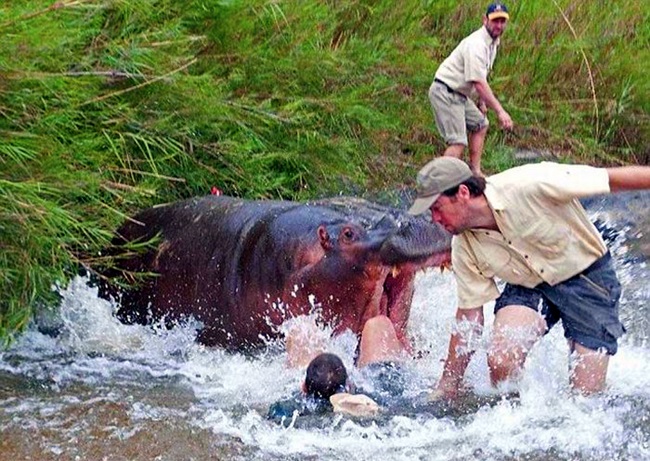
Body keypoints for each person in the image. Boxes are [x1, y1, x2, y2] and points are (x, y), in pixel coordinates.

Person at [407, 156, 650, 399]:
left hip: (589, 281)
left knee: (586, 399)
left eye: (437, 208)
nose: (435, 220)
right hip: (529, 286)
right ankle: (515, 416)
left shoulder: (529, 184)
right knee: (502, 359)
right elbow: (469, 316)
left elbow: (610, 179)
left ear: (462, 193)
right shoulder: (463, 246)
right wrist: (448, 384)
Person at [267, 315, 410, 422]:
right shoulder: (378, 395)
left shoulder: (286, 408)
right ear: (349, 384)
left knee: (301, 328)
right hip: (369, 401)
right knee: (378, 324)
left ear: (303, 387)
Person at [428, 2, 514, 175]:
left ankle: (474, 172)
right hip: (446, 91)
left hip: (459, 94)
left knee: (480, 124)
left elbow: (482, 75)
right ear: (485, 20)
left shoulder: (493, 43)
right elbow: (478, 82)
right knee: (458, 142)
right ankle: (438, 184)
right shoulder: (476, 44)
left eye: (502, 21)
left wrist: (482, 103)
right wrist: (500, 111)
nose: (498, 25)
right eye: (495, 21)